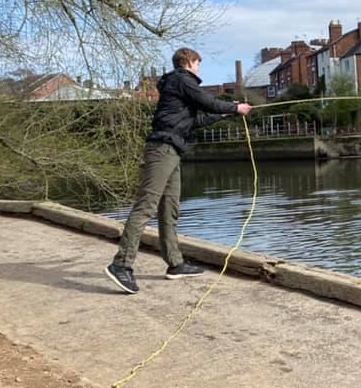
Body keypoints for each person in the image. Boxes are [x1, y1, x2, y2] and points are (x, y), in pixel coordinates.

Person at [104, 48, 252, 294]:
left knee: (169, 209)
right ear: (189, 62)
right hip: (161, 150)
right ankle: (121, 265)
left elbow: (196, 120)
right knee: (146, 206)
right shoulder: (181, 79)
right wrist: (236, 108)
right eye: (198, 64)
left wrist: (225, 113)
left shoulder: (178, 89)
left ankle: (175, 263)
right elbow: (207, 101)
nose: (199, 69)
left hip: (172, 151)